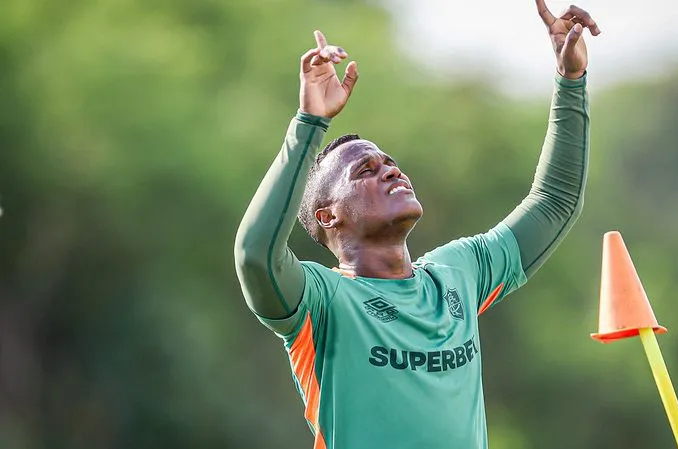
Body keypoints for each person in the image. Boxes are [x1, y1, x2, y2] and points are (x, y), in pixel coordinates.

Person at [234, 1, 600, 447]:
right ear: (328, 216)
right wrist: (310, 123)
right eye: (365, 171)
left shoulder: (458, 272)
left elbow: (555, 201)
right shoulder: (321, 302)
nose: (391, 171)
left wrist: (571, 80)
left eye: (390, 163)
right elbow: (256, 254)